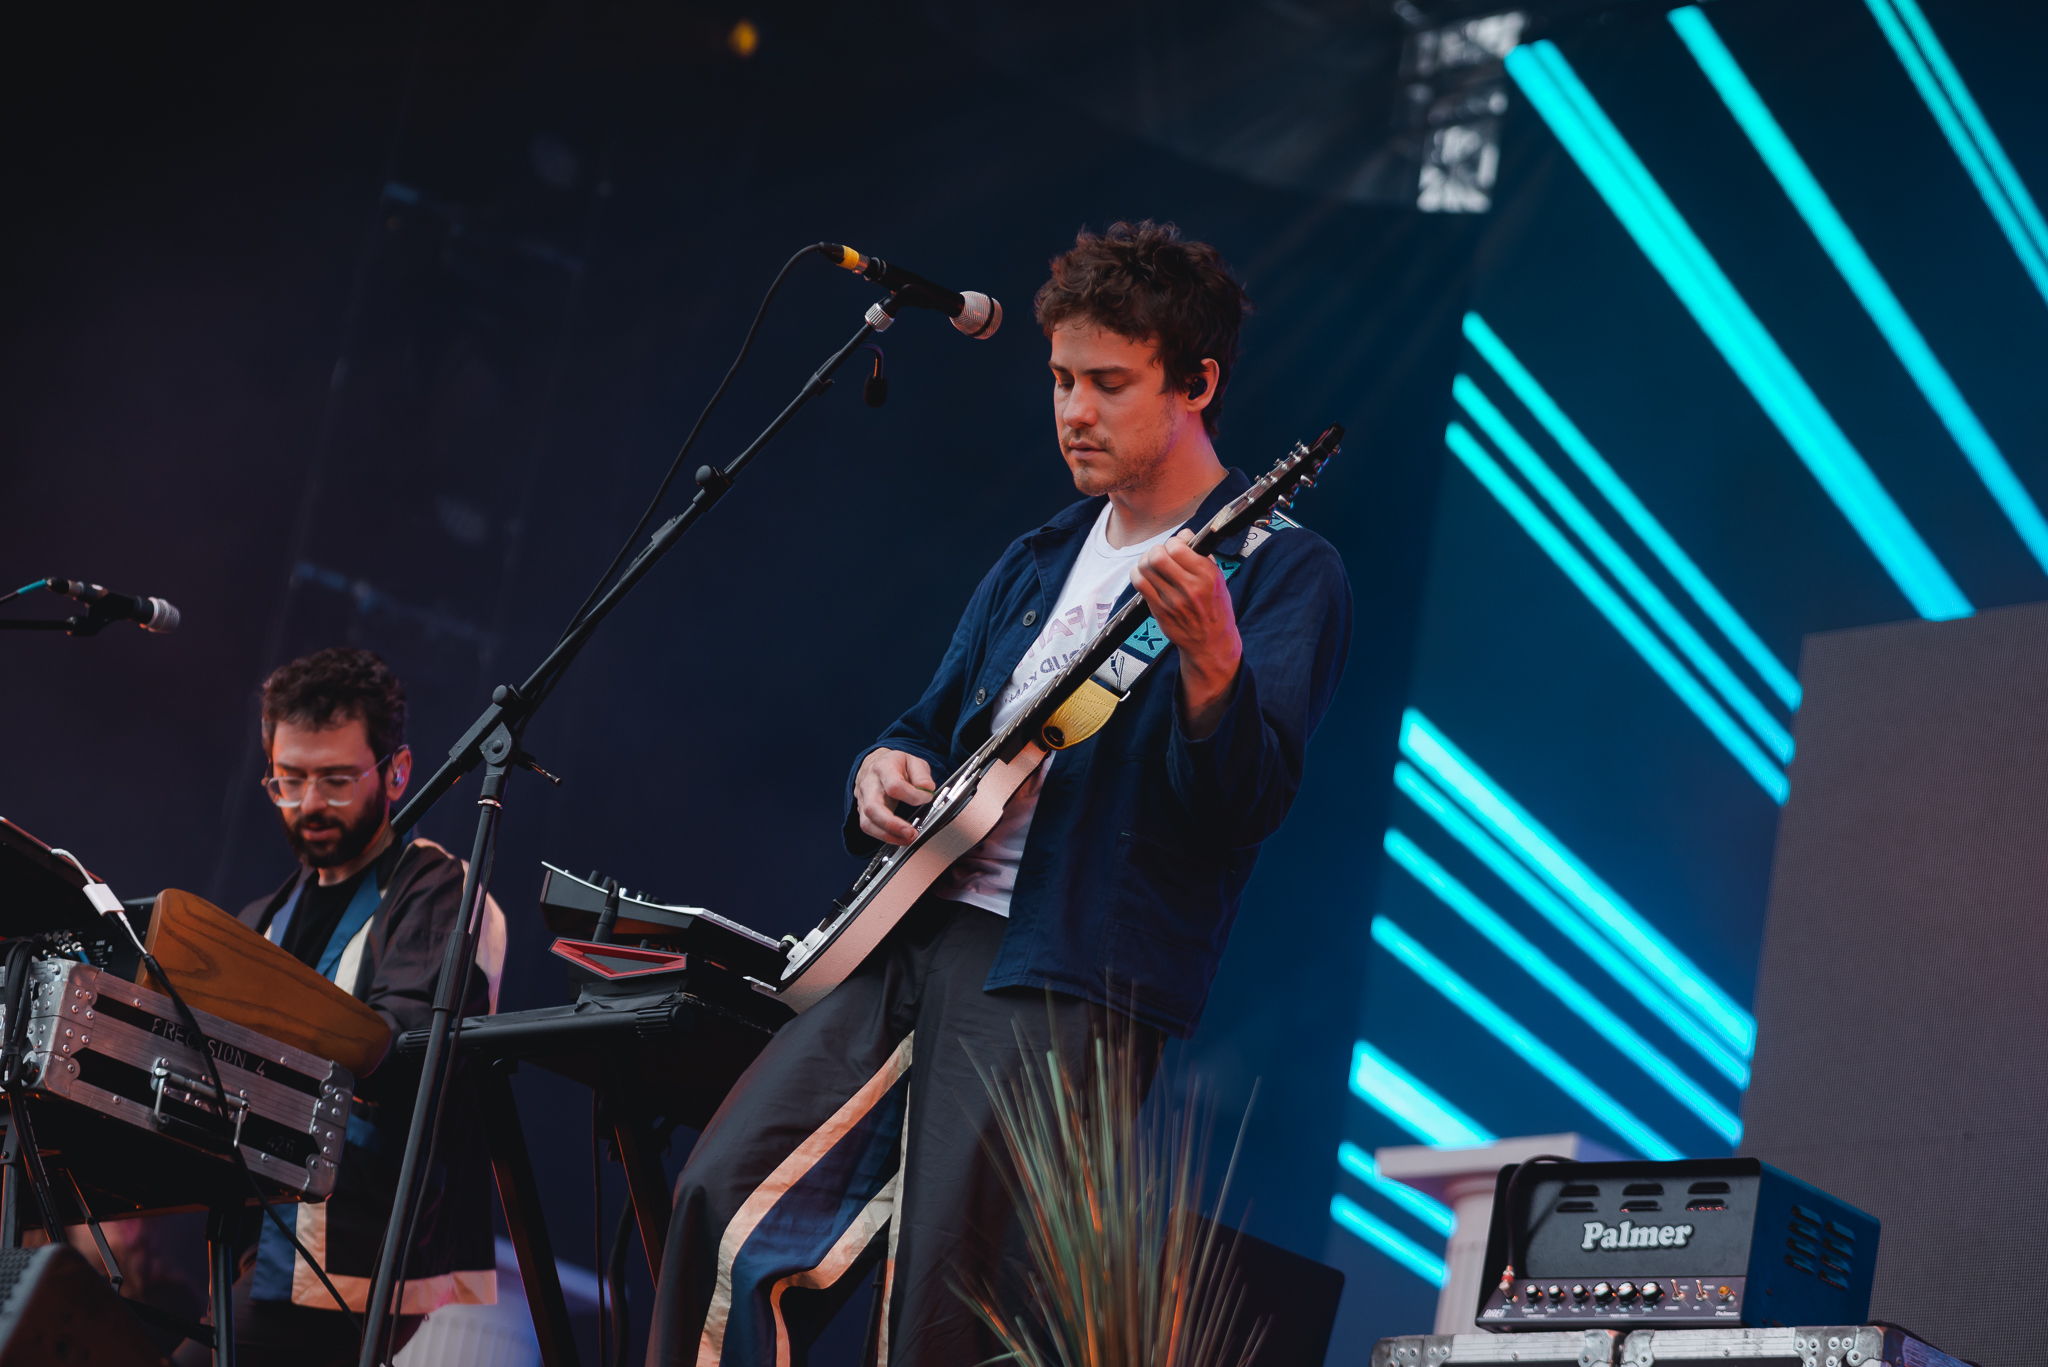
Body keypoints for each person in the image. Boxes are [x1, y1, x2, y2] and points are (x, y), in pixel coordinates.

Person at [647, 220, 1353, 1366]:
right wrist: (876, 771)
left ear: (1196, 383)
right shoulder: (1039, 553)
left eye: (1108, 383)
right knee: (720, 1200)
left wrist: (1214, 665)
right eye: (1061, 380)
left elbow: (1241, 807)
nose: (1073, 410)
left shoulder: (1280, 568)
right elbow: (923, 725)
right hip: (909, 931)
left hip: (1064, 976)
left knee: (937, 1305)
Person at [188, 648, 506, 1366]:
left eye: (335, 780)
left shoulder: (439, 890)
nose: (308, 804)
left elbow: (401, 1050)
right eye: (288, 780)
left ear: (396, 772)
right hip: (252, 1237)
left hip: (355, 1251)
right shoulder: (263, 917)